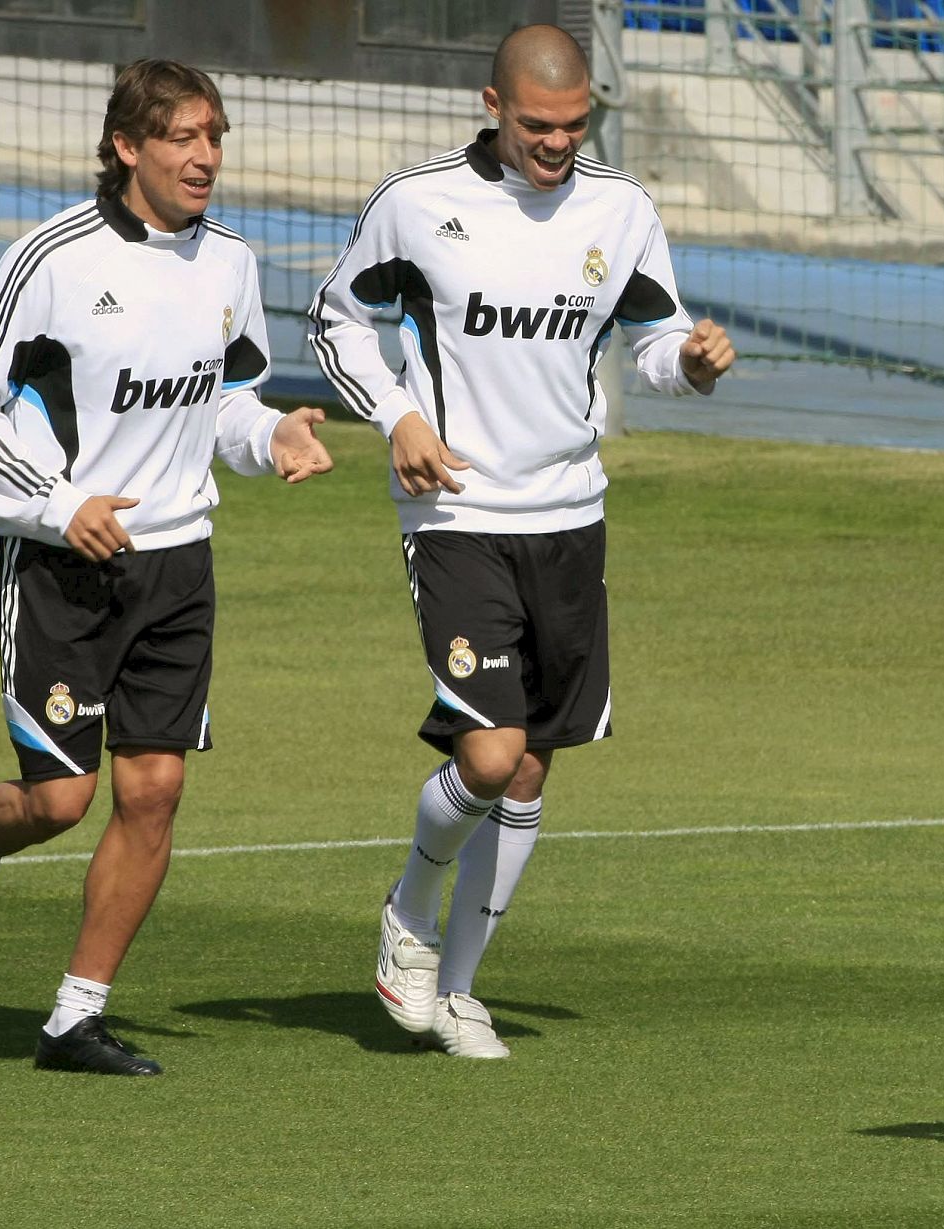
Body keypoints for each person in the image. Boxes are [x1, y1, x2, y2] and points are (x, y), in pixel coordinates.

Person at [308, 24, 734, 1059]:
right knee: (490, 752)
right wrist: (400, 415)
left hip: (569, 516)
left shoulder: (620, 209)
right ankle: (408, 911)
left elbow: (656, 343)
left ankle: (456, 991)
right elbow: (335, 319)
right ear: (492, 106)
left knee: (532, 770)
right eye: (539, 125)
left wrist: (696, 361)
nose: (557, 144)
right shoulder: (417, 205)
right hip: (457, 514)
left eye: (575, 125)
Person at [0, 59, 333, 1076]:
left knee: (152, 793)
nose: (206, 157)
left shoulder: (230, 261)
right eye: (184, 137)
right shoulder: (51, 259)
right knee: (58, 800)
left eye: (216, 136)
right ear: (127, 147)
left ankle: (74, 1016)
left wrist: (271, 431)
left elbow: (223, 399)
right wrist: (62, 507)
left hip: (179, 562)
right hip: (62, 568)